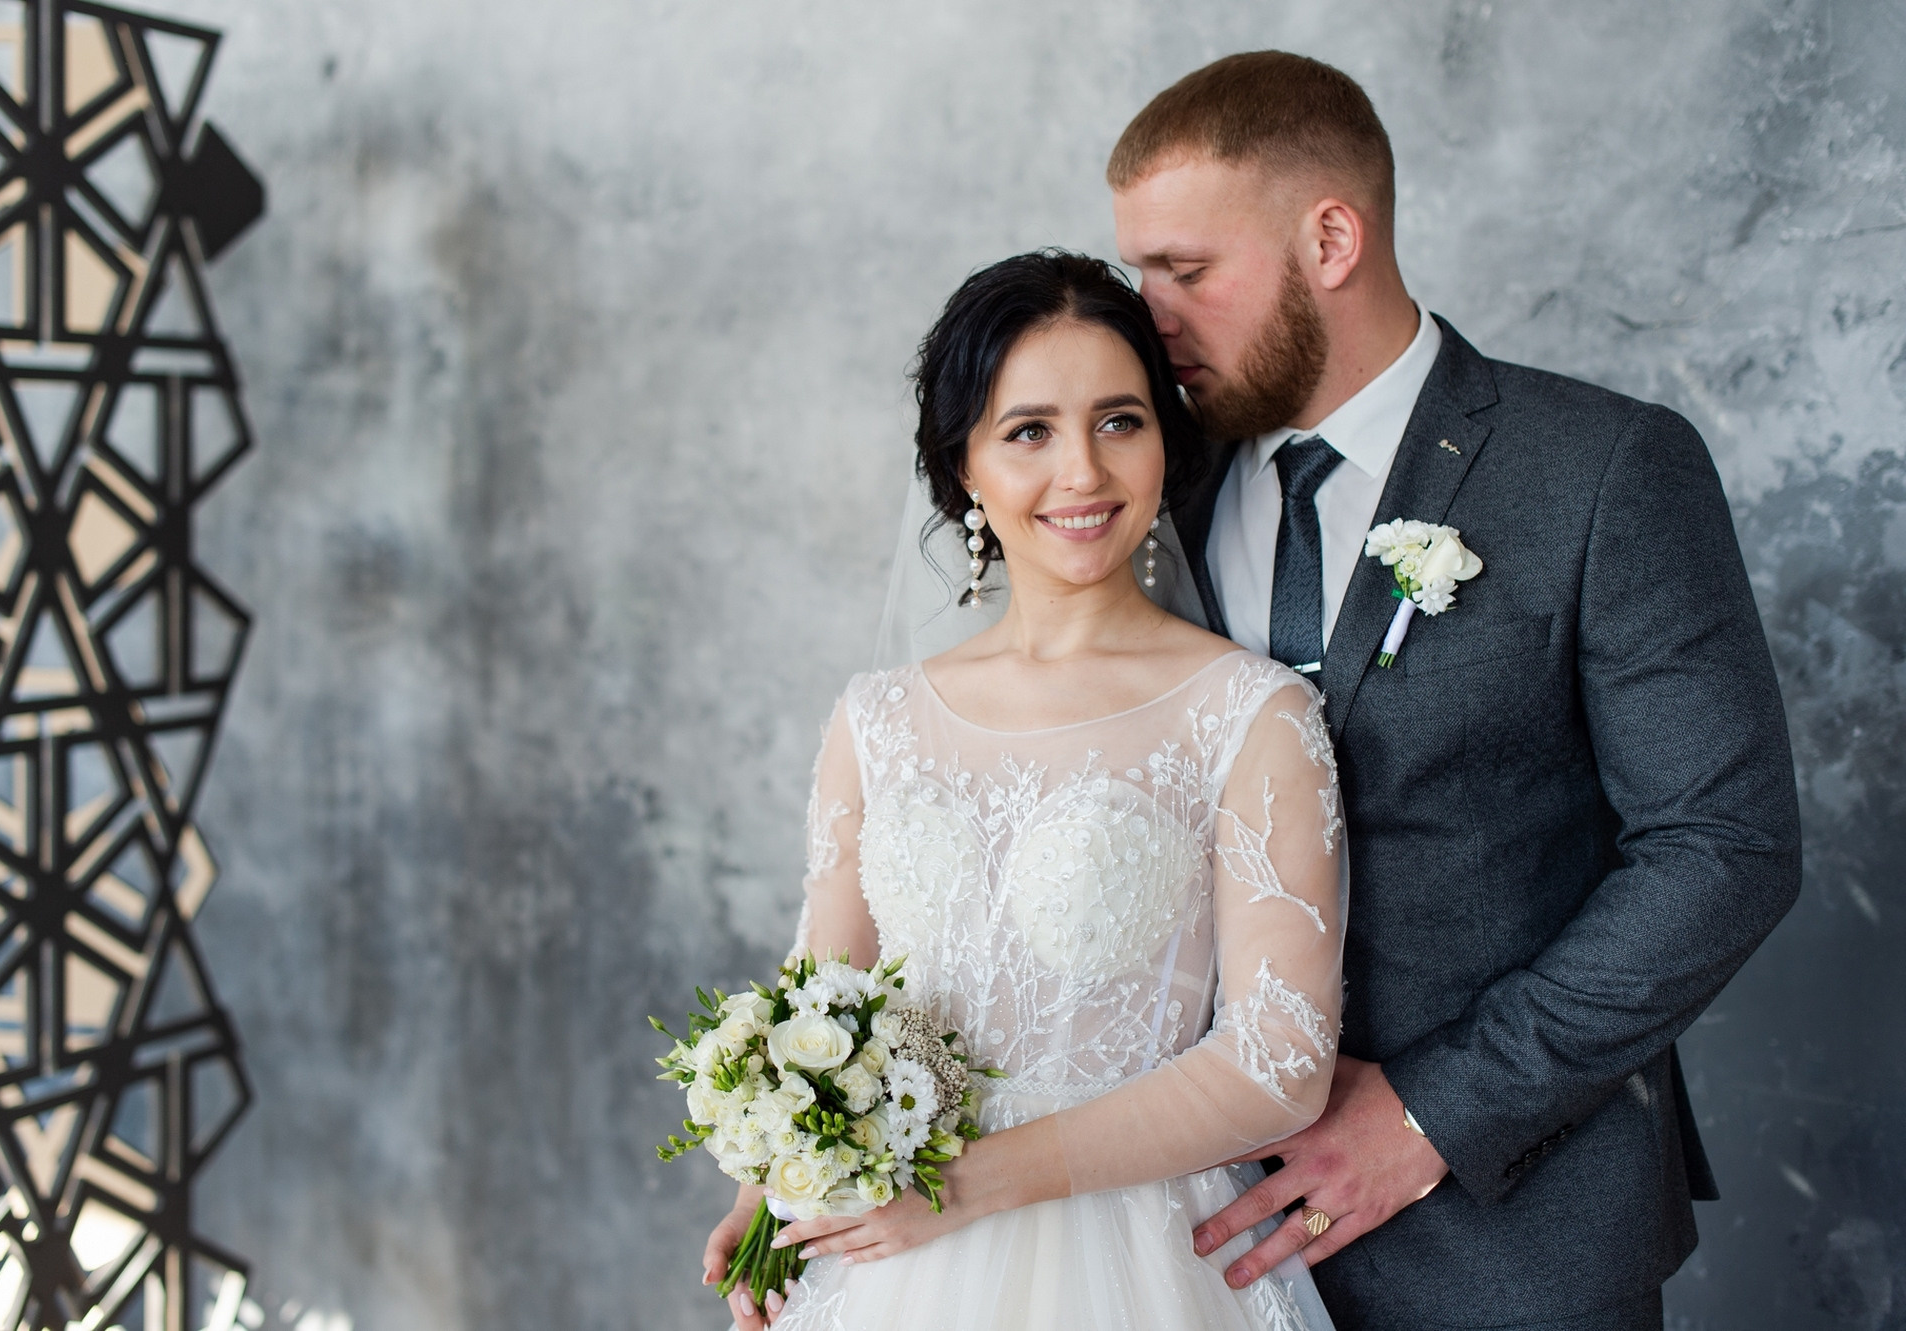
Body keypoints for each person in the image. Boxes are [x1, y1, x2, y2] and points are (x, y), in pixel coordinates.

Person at [1107, 52, 1803, 1331]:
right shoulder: (1145, 483)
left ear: (1329, 238)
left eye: (1185, 272)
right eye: (1138, 271)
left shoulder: (1600, 468)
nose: (1146, 316)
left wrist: (1431, 1110)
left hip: (1509, 1234)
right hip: (1190, 1239)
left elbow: (1723, 848)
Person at [702, 250, 1350, 1331]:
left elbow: (1278, 1061)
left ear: (1162, 439)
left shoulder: (1248, 713)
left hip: (1140, 1260)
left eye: (1119, 420)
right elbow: (824, 998)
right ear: (962, 465)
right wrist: (764, 1192)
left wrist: (957, 1188)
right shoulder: (877, 720)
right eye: (1028, 431)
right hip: (885, 1266)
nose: (1082, 474)